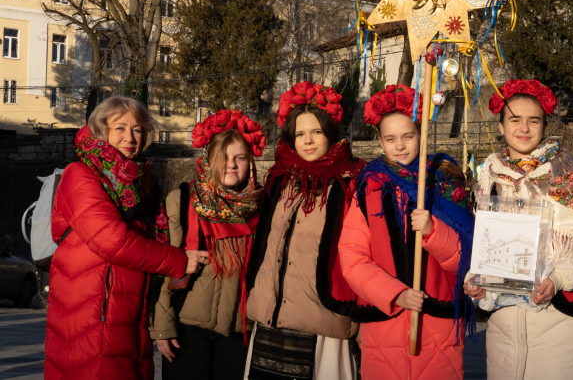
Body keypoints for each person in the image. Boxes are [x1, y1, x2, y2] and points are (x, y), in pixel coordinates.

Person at [463, 79, 573, 380]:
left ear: (545, 126)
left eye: (533, 120)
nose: (523, 128)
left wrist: (558, 278)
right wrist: (477, 286)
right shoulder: (489, 178)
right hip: (504, 327)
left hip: (560, 323)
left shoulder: (566, 175)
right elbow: (483, 246)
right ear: (501, 126)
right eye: (514, 119)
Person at [45, 97, 208, 380]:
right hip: (95, 310)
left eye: (138, 130)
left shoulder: (142, 182)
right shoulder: (81, 174)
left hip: (129, 311)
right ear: (101, 130)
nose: (130, 137)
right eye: (120, 128)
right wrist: (179, 261)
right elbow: (112, 240)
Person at [338, 84, 474, 380]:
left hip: (438, 326)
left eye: (408, 136)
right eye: (390, 138)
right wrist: (395, 293)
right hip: (384, 327)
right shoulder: (369, 188)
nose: (399, 145)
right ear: (380, 141)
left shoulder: (445, 182)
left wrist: (433, 231)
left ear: (422, 135)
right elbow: (352, 256)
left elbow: (466, 259)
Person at [243, 82, 366, 380]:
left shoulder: (353, 182)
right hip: (272, 317)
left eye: (316, 132)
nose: (308, 141)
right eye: (300, 134)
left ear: (330, 133)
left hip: (323, 318)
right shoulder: (281, 179)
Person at [151, 109, 267, 380]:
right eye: (223, 157)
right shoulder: (182, 200)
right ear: (209, 159)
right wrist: (162, 327)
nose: (231, 165)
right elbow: (165, 268)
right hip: (188, 330)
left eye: (240, 157)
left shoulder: (263, 206)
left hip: (241, 333)